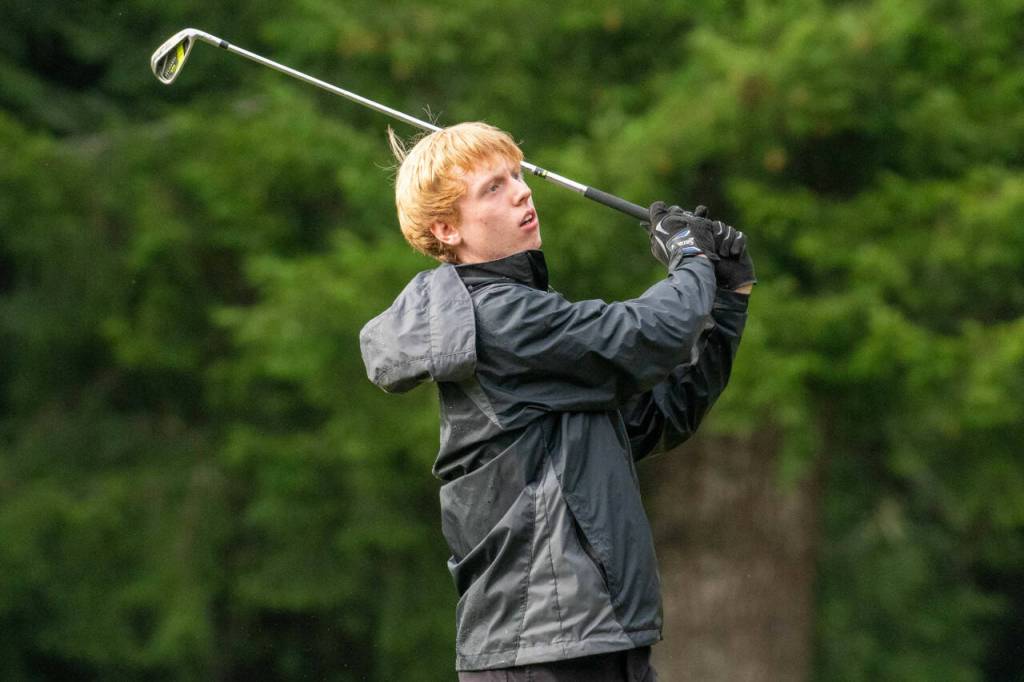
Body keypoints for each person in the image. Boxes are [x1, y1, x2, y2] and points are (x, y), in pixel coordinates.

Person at [360, 122, 754, 681]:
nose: (522, 192)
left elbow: (660, 417)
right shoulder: (496, 321)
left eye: (518, 176)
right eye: (492, 187)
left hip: (597, 637)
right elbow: (647, 334)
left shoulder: (528, 326)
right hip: (542, 647)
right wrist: (690, 257)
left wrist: (729, 300)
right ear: (446, 228)